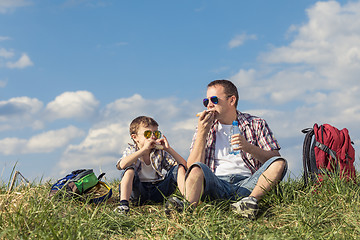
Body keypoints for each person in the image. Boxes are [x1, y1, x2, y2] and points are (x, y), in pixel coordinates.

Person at [183, 79, 287, 219]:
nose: (209, 105)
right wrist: (202, 132)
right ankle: (187, 210)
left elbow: (273, 158)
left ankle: (249, 202)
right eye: (205, 101)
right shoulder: (204, 127)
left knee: (279, 162)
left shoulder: (256, 123)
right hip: (217, 183)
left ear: (232, 100)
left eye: (214, 100)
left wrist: (248, 147)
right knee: (196, 168)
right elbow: (192, 167)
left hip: (248, 183)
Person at [114, 116, 187, 214]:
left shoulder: (160, 151)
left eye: (156, 133)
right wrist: (144, 150)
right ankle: (124, 205)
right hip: (138, 191)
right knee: (129, 170)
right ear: (135, 138)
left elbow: (184, 166)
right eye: (147, 134)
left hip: (157, 189)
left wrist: (168, 149)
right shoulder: (131, 150)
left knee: (179, 168)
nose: (153, 136)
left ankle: (187, 201)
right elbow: (122, 165)